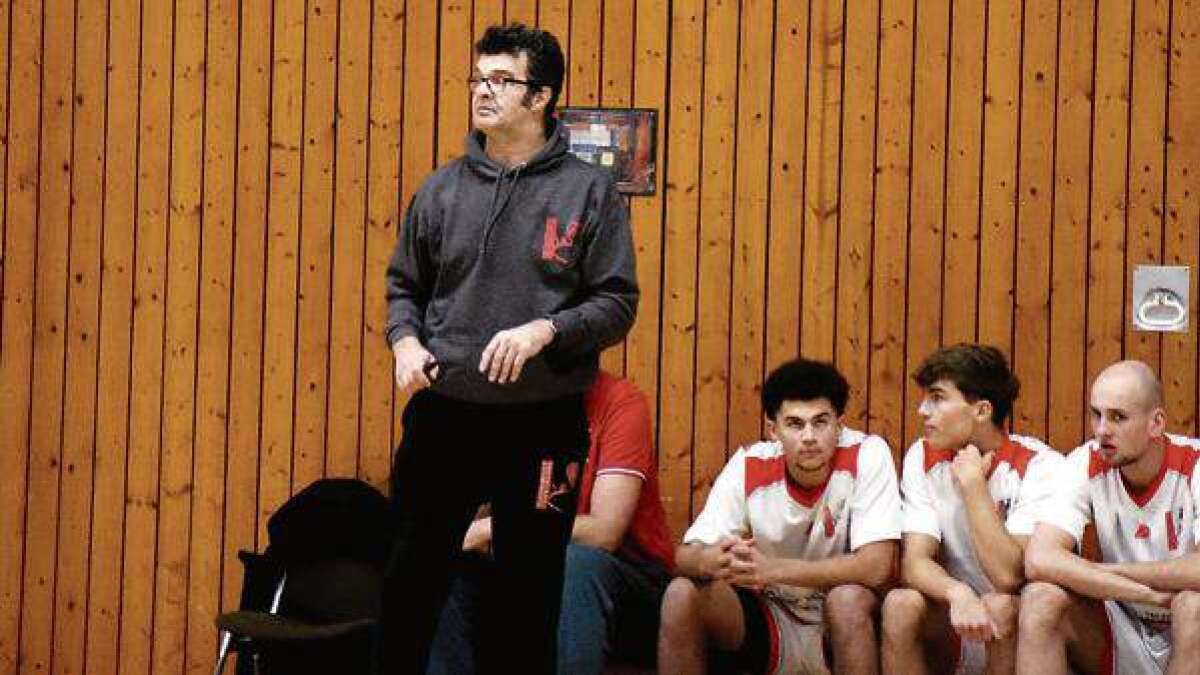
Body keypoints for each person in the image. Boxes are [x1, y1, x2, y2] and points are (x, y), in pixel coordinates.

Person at [381, 23, 638, 674]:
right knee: (409, 589)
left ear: (541, 96)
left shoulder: (589, 192)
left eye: (502, 79)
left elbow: (616, 302)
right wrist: (405, 341)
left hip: (542, 425)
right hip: (446, 417)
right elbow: (403, 285)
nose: (483, 91)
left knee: (530, 596)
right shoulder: (439, 191)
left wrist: (545, 329)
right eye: (479, 77)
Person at [657, 359, 901, 675]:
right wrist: (709, 560)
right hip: (768, 614)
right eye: (796, 424)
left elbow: (876, 567)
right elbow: (681, 558)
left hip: (839, 615)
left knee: (849, 600)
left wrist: (774, 569)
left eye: (821, 422)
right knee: (681, 593)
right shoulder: (749, 464)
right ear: (774, 430)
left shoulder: (868, 453)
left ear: (840, 426)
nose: (810, 436)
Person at [426, 371, 674, 675]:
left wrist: (494, 527)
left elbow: (605, 533)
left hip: (628, 578)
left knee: (575, 563)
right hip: (535, 570)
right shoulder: (511, 407)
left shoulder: (620, 402)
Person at [880, 344, 1062, 675]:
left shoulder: (1040, 465)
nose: (923, 410)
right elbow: (914, 562)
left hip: (1016, 626)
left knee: (1001, 605)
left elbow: (1009, 577)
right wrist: (958, 593)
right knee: (899, 604)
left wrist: (974, 488)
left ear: (981, 411)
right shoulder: (921, 456)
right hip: (956, 615)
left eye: (937, 398)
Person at [1019, 360, 1200, 675]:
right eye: (1096, 414)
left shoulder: (1194, 464)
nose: (1102, 430)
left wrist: (1102, 572)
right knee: (1039, 598)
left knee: (1192, 606)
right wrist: (1143, 593)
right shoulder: (1085, 461)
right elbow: (1039, 558)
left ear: (1156, 423)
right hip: (1124, 622)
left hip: (1188, 626)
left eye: (1118, 417)